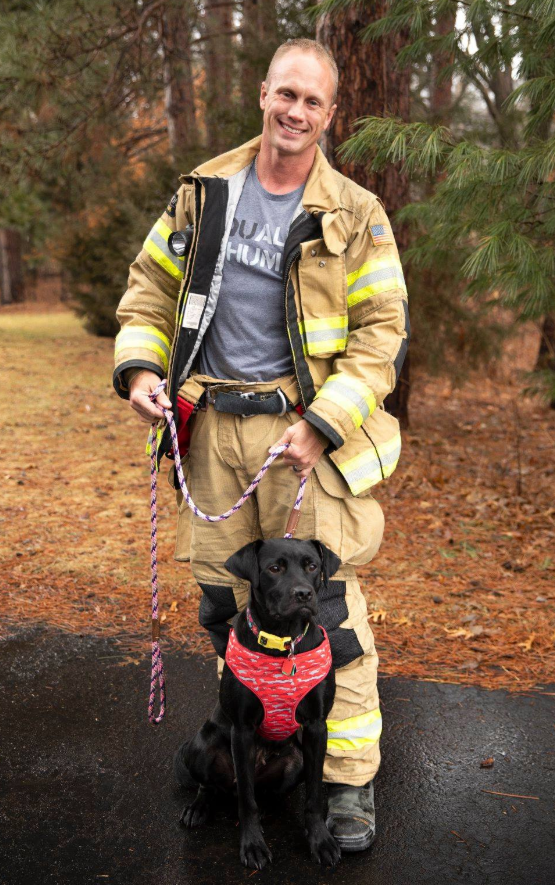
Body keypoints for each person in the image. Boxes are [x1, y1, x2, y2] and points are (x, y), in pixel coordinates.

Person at [113, 37, 409, 853]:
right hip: (211, 429)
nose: (294, 112)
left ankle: (346, 785)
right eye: (285, 94)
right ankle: (259, 752)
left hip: (300, 439)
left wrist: (322, 424)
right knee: (225, 605)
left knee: (327, 614)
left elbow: (382, 336)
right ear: (262, 93)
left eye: (312, 102)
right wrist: (140, 368)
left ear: (329, 114)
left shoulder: (355, 214)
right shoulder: (204, 191)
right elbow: (148, 287)